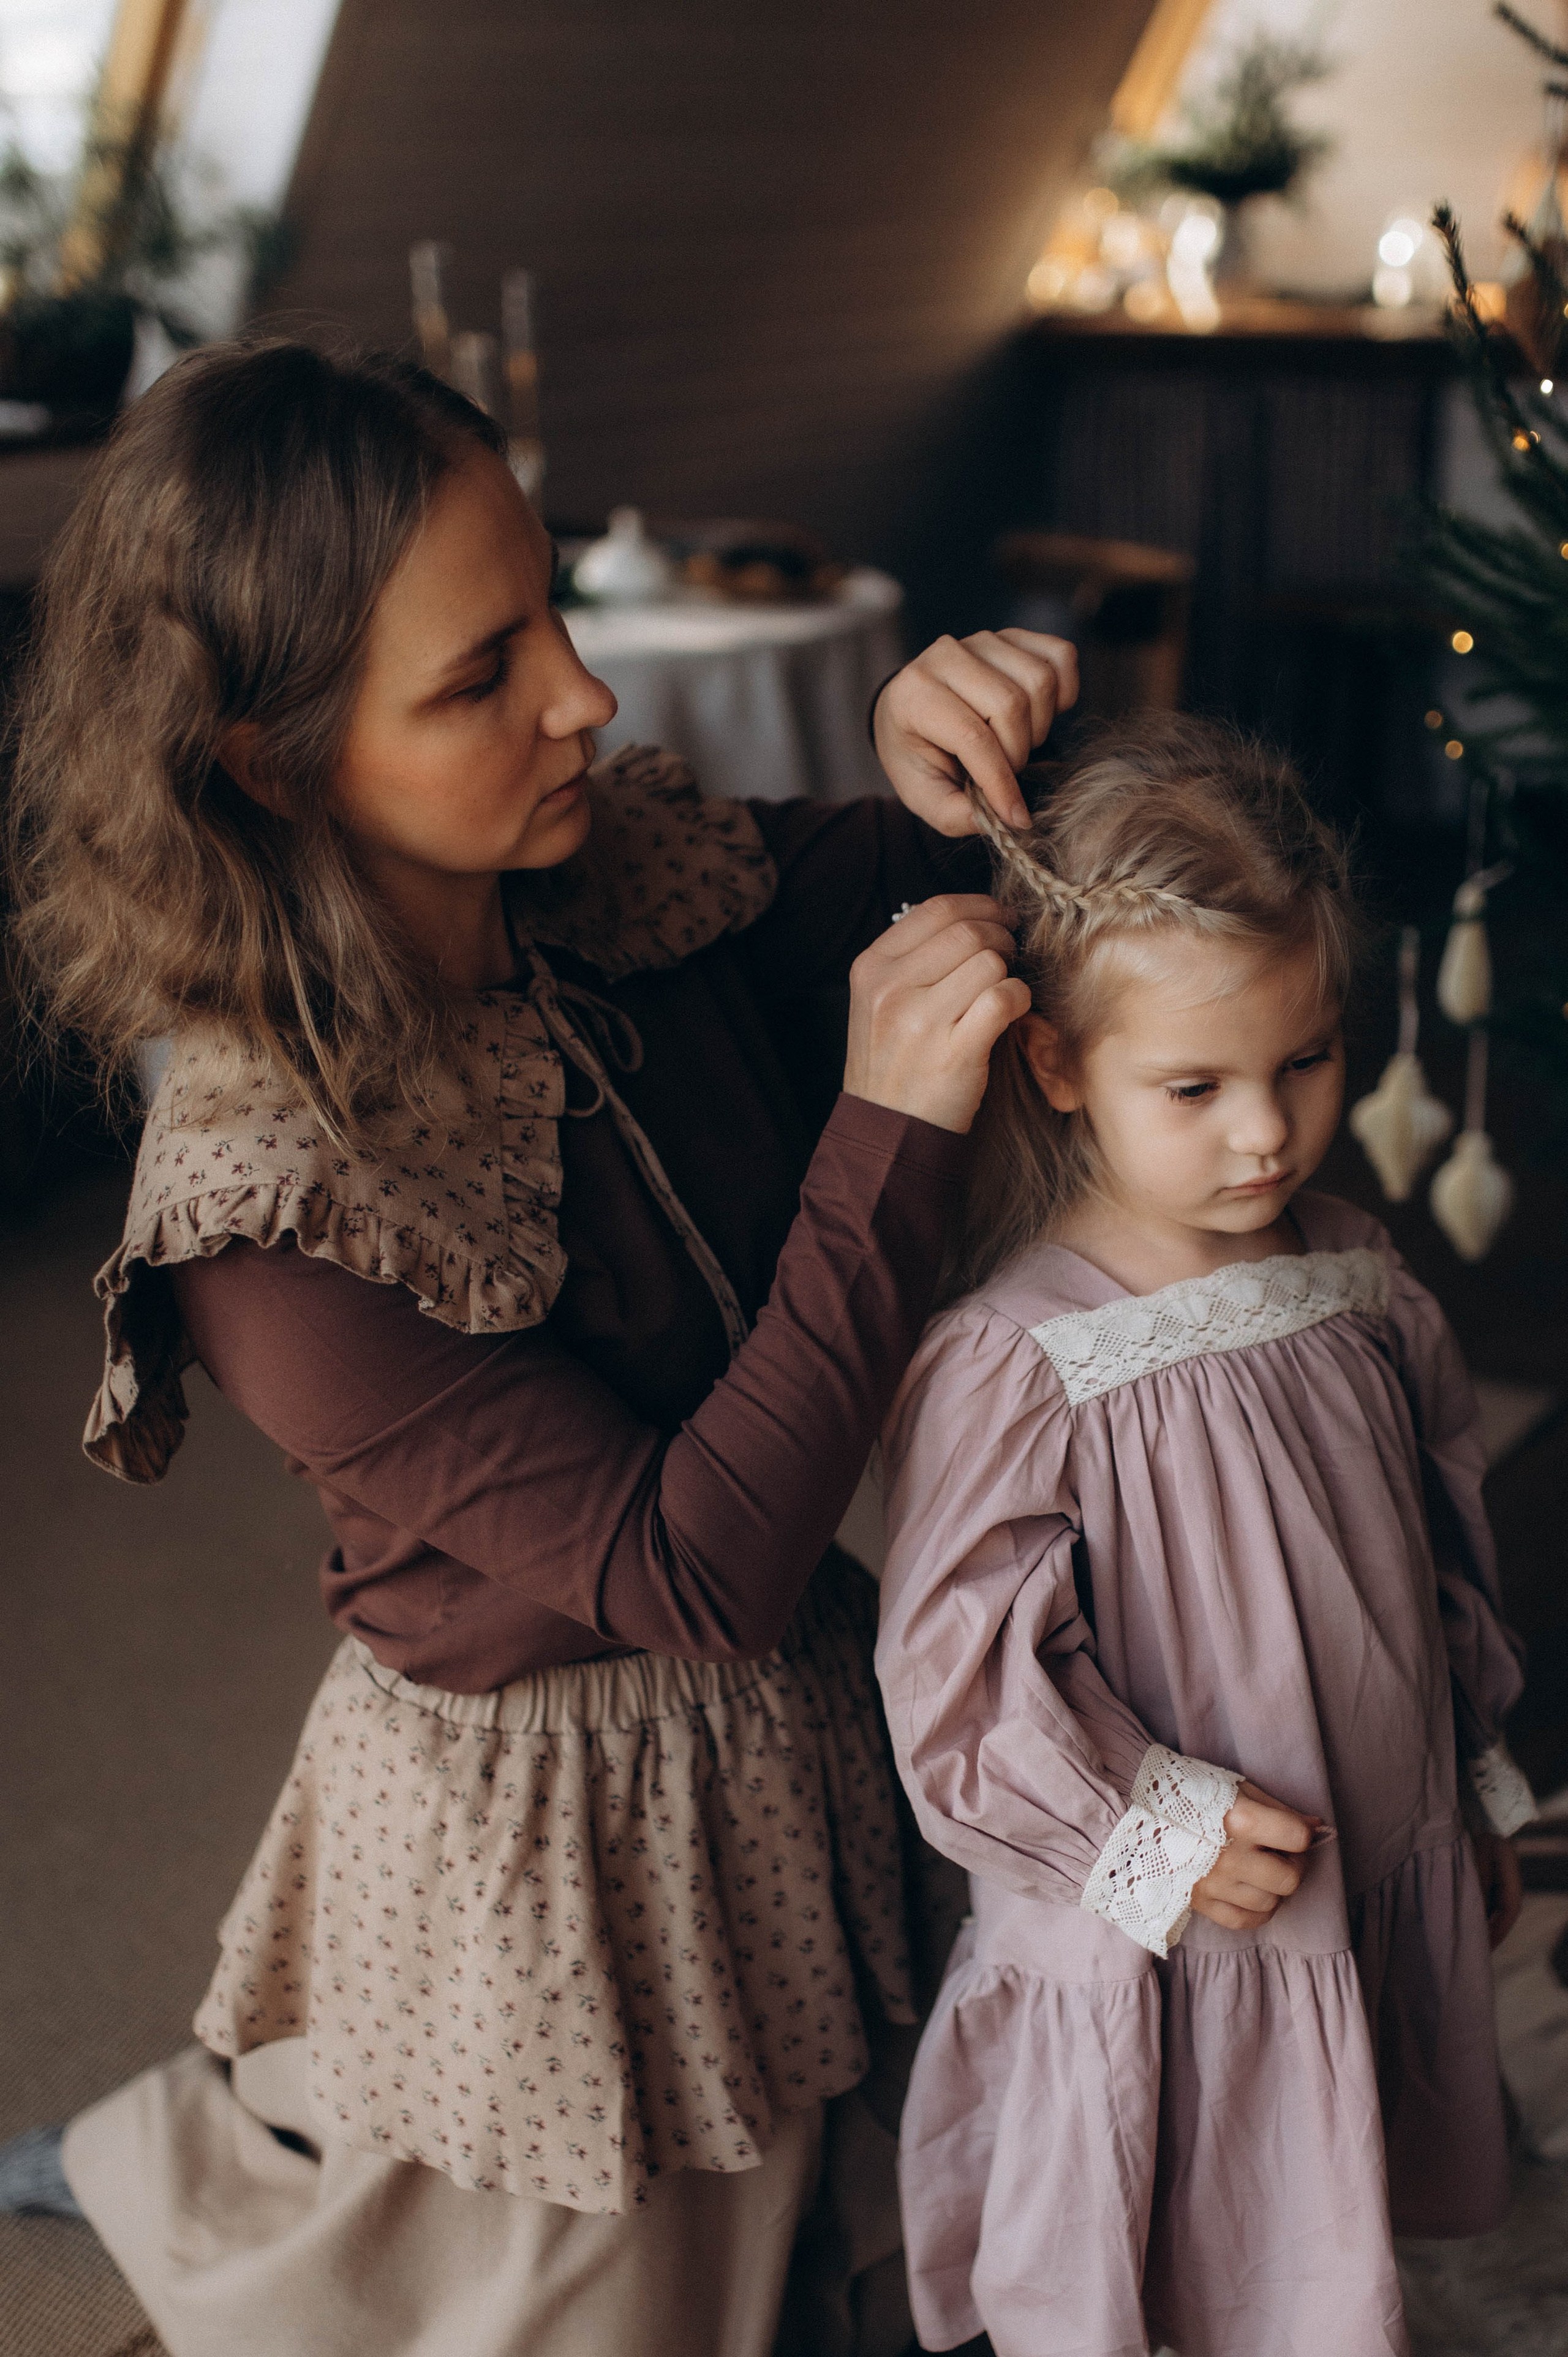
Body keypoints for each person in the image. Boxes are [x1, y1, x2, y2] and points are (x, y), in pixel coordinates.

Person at [1, 334, 1077, 2357]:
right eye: (479, 674)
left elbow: (927, 866)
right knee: (535, 2293)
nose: (583, 695)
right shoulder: (268, 1207)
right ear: (268, 759)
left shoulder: (599, 868)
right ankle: (168, 2168)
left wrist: (968, 727)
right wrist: (886, 1131)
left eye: (552, 613)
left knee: (844, 2208)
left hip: (792, 1729)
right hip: (556, 1811)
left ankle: (233, 2133)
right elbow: (698, 1569)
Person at [874, 716, 1535, 2357]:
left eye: (1303, 1062)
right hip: (1188, 1904)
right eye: (1197, 1085)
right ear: (1060, 1067)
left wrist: (1468, 1773)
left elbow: (1443, 1536)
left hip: (1366, 1837)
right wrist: (1144, 1826)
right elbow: (959, 1675)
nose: (1265, 1133)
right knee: (1184, 2236)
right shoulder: (1024, 1356)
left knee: (1333, 2201)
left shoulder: (1358, 1276)